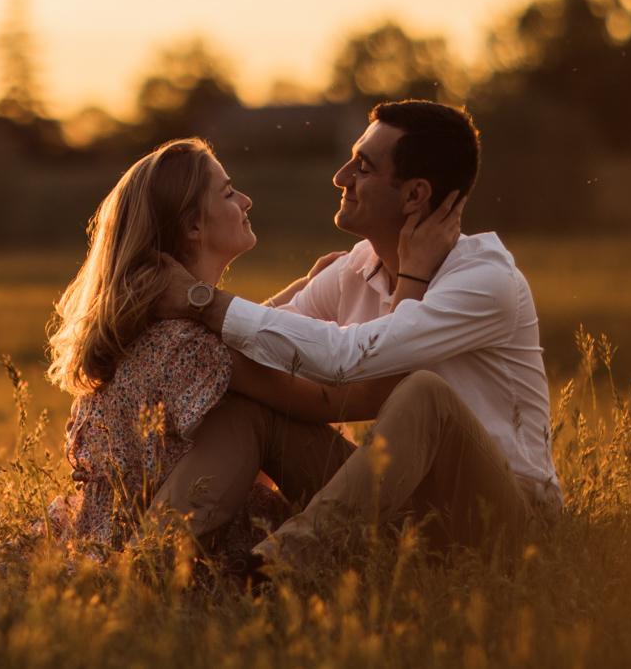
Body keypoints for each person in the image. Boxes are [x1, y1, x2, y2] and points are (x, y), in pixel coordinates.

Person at [149, 100, 562, 572]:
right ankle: (151, 559)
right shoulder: (355, 268)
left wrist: (204, 300)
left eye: (362, 168)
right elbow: (263, 344)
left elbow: (352, 358)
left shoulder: (485, 281)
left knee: (426, 394)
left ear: (414, 196)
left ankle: (276, 569)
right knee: (253, 414)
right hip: (397, 506)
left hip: (503, 518)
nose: (340, 177)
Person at [42, 137, 463, 566]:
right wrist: (413, 282)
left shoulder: (160, 325)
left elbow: (239, 339)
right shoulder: (194, 347)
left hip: (113, 525)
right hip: (178, 537)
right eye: (227, 193)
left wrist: (302, 289)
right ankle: (163, 566)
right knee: (255, 419)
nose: (245, 200)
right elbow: (344, 396)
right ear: (193, 227)